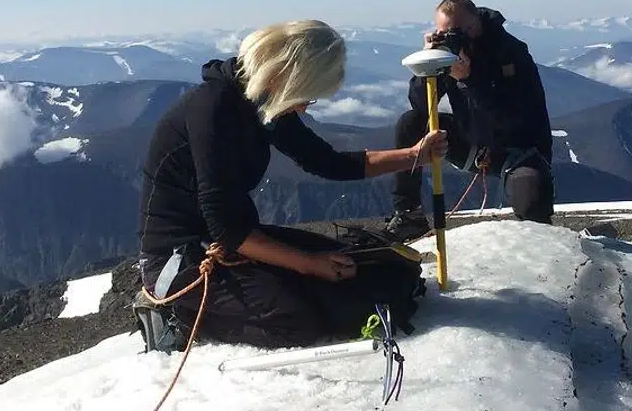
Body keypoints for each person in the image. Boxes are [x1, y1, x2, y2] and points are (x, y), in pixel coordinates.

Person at [135, 18, 448, 352]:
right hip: (177, 260)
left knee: (366, 268)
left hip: (230, 240)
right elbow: (226, 227)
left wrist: (415, 155)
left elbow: (329, 163)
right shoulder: (213, 110)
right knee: (300, 318)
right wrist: (309, 264)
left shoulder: (260, 101)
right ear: (291, 78)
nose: (304, 106)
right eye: (308, 95)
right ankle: (172, 313)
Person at [383, 0, 555, 237]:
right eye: (444, 32)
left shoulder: (510, 53)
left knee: (532, 201)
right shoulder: (450, 53)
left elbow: (512, 119)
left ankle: (544, 245)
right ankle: (408, 214)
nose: (452, 38)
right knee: (410, 123)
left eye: (456, 32)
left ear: (474, 25)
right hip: (472, 139)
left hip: (519, 149)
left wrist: (470, 80)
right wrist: (428, 65)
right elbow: (421, 105)